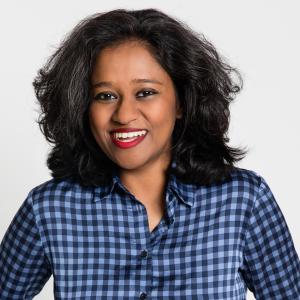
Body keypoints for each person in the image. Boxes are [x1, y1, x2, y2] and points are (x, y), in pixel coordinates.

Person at [0, 8, 299, 300]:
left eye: (145, 92)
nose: (124, 114)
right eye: (105, 96)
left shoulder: (244, 201)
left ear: (181, 101)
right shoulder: (48, 209)